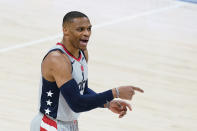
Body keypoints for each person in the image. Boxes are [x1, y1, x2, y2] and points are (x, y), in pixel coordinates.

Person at [30, 11, 144, 131]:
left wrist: (107, 103)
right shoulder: (57, 59)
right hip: (49, 125)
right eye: (80, 29)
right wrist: (115, 92)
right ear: (65, 30)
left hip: (70, 124)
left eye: (89, 29)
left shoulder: (83, 53)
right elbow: (77, 103)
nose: (87, 33)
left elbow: (82, 90)